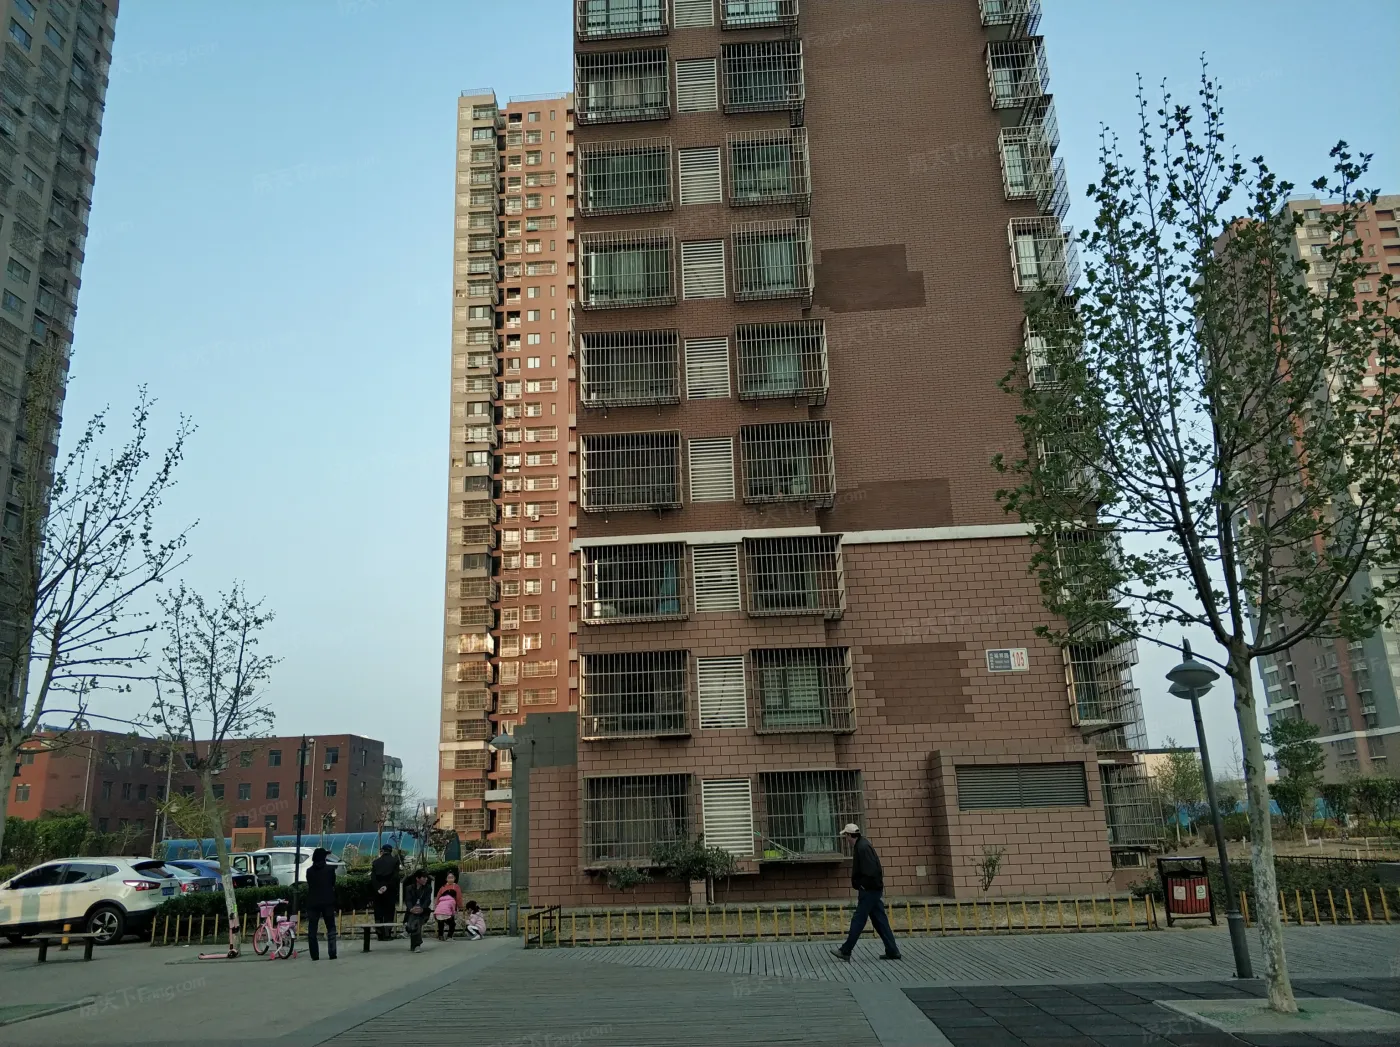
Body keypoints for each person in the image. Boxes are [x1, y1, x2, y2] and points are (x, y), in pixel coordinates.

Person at [831, 823, 901, 962]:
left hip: (869, 891)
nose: (846, 839)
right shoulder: (863, 845)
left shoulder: (862, 847)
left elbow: (872, 871)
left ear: (850, 835)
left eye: (846, 836)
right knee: (880, 921)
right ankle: (892, 950)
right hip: (873, 890)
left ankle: (846, 950)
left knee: (858, 919)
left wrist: (863, 886)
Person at [303, 847, 338, 961]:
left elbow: (310, 884)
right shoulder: (330, 870)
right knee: (331, 927)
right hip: (328, 901)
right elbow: (332, 883)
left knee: (312, 928)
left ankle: (314, 955)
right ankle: (332, 953)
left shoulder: (309, 871)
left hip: (313, 902)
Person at [369, 844, 402, 941]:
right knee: (389, 912)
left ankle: (379, 934)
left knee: (378, 912)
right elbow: (395, 877)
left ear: (382, 851)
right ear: (391, 851)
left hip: (377, 892)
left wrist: (378, 888)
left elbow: (373, 878)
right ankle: (387, 934)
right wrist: (386, 886)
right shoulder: (395, 861)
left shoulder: (375, 862)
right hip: (390, 890)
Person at [403, 868, 433, 951]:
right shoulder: (409, 888)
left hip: (424, 912)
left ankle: (408, 929)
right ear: (417, 878)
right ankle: (416, 945)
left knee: (415, 920)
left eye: (426, 877)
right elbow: (408, 900)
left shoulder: (428, 888)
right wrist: (411, 909)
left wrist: (422, 908)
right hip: (411, 912)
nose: (426, 879)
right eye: (424, 877)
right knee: (416, 921)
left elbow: (428, 900)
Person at [434, 872, 462, 940]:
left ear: (455, 878)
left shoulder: (456, 886)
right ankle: (444, 936)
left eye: (452, 877)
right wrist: (437, 904)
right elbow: (438, 896)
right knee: (442, 922)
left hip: (450, 906)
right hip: (444, 907)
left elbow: (459, 897)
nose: (450, 879)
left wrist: (459, 905)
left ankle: (444, 936)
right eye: (449, 878)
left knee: (445, 921)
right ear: (446, 879)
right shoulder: (443, 887)